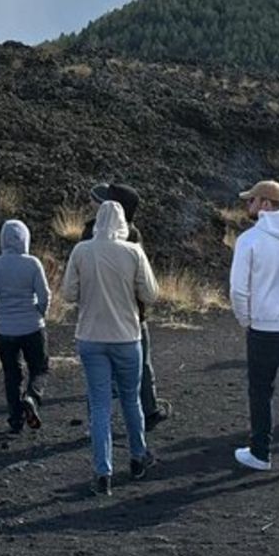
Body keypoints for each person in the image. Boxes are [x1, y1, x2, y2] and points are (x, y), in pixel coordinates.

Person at [63, 199, 160, 495]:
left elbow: (68, 294)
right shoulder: (133, 252)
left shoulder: (81, 251)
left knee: (100, 405)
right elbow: (151, 294)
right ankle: (137, 455)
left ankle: (102, 471)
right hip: (126, 337)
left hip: (91, 337)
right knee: (131, 400)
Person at [228, 180, 279, 478]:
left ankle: (260, 453)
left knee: (261, 393)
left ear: (265, 204)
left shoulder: (249, 240)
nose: (247, 206)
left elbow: (239, 291)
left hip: (264, 329)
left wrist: (247, 320)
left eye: (250, 201)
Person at [81, 182, 172, 430]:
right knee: (141, 364)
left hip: (95, 317)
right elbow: (144, 284)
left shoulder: (89, 234)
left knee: (98, 376)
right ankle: (148, 411)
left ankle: (97, 421)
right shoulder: (132, 237)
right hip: (130, 316)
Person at [0, 219, 51, 432]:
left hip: (5, 329)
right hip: (32, 326)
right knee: (39, 368)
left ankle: (15, 419)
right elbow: (44, 294)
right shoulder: (32, 263)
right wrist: (40, 312)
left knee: (12, 374)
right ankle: (32, 397)